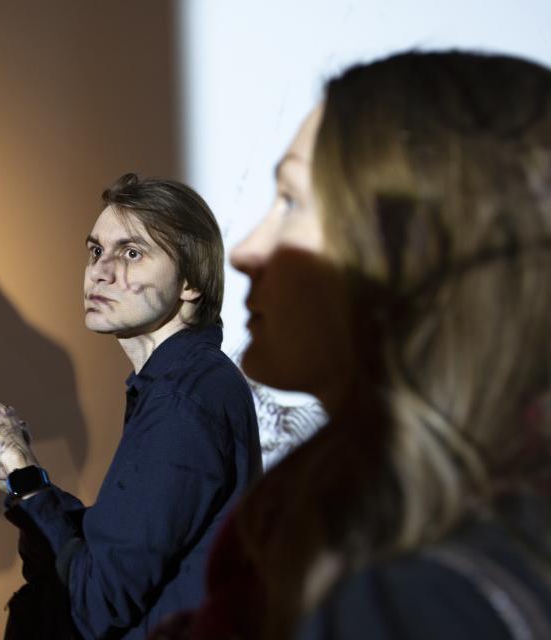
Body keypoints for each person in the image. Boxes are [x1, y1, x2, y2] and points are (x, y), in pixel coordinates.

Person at [155, 50, 551, 640]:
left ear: (410, 253)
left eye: (290, 200)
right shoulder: (317, 525)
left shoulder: (417, 603)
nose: (246, 249)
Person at [0, 173, 262, 639]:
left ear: (190, 282)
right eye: (96, 250)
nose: (100, 270)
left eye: (132, 253)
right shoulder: (179, 386)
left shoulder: (184, 399)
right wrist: (23, 478)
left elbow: (95, 604)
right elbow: (107, 552)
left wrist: (24, 470)